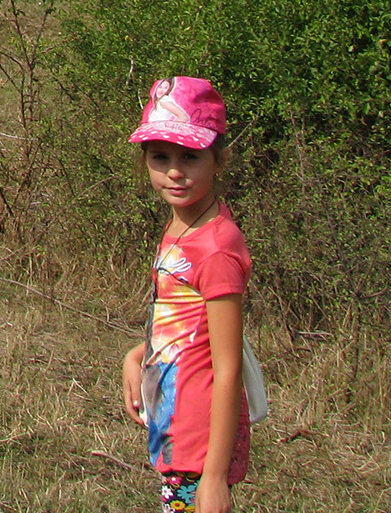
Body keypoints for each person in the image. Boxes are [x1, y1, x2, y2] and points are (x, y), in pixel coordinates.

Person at [120, 76, 251, 513]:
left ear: (219, 159)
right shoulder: (183, 226)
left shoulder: (215, 248)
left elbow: (228, 366)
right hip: (175, 418)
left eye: (190, 156)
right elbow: (187, 324)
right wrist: (138, 355)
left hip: (200, 436)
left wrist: (213, 477)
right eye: (160, 157)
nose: (175, 172)